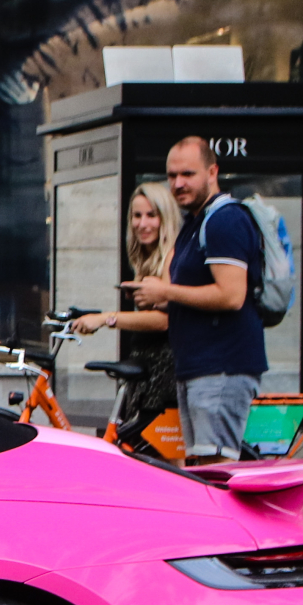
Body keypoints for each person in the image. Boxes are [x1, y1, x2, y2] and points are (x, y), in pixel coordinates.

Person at [127, 137, 264, 462]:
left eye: (188, 174)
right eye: (172, 176)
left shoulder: (224, 220)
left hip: (222, 367)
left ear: (212, 171)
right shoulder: (195, 223)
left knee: (216, 472)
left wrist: (166, 292)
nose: (178, 183)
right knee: (201, 471)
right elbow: (196, 295)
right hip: (196, 367)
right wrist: (160, 300)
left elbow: (231, 296)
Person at [69, 182, 180, 447]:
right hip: (145, 367)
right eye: (136, 216)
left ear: (166, 218)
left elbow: (164, 321)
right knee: (139, 451)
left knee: (166, 457)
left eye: (151, 215)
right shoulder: (147, 258)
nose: (142, 224)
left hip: (165, 371)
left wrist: (107, 318)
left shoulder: (171, 256)